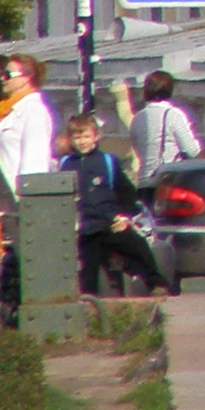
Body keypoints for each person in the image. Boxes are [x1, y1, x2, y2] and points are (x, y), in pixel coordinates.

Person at [61, 114, 140, 296]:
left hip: (109, 223)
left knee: (137, 247)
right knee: (88, 270)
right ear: (71, 139)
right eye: (77, 137)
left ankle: (155, 283)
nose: (81, 142)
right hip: (84, 228)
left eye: (86, 136)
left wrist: (125, 215)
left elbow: (126, 191)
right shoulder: (65, 164)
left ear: (96, 137)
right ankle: (91, 304)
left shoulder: (107, 161)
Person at [0, 54, 60, 191]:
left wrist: (26, 199)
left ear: (26, 78)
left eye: (7, 74)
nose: (2, 78)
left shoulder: (34, 111)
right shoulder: (2, 111)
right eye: (1, 74)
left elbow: (35, 163)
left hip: (15, 200)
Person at [129, 72, 204, 191]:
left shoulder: (137, 118)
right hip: (166, 183)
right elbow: (192, 150)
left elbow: (137, 148)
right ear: (170, 90)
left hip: (143, 183)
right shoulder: (173, 115)